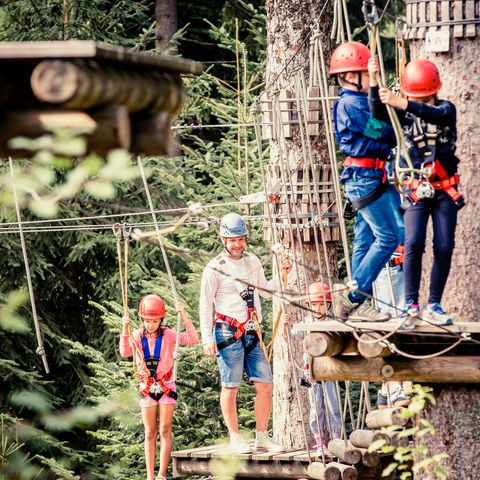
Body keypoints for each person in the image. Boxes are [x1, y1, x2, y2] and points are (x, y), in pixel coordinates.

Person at [369, 57, 463, 326]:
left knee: (444, 245)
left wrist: (404, 102)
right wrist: (374, 80)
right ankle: (410, 304)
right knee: (413, 243)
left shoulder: (446, 110)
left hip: (444, 189)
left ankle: (434, 303)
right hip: (416, 187)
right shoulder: (404, 114)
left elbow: (437, 115)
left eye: (424, 99)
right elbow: (377, 113)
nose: (421, 105)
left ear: (434, 93)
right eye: (416, 100)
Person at [199, 212, 291, 454]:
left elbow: (266, 291)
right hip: (227, 331)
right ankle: (235, 437)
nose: (237, 244)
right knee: (231, 386)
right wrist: (207, 339)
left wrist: (281, 276)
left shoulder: (252, 261)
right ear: (223, 239)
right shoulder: (215, 268)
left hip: (252, 330)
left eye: (241, 239)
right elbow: (205, 305)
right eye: (232, 240)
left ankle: (262, 435)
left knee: (265, 385)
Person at [329, 41, 404, 322]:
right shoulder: (350, 104)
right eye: (364, 73)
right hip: (365, 177)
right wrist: (396, 116)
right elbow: (383, 132)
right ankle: (353, 297)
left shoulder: (360, 100)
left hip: (372, 176)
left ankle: (357, 303)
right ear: (350, 75)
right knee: (390, 237)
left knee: (365, 239)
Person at [120, 294, 199, 480]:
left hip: (166, 386)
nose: (150, 325)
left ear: (161, 319)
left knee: (164, 429)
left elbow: (192, 339)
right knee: (150, 432)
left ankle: (162, 475)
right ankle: (150, 476)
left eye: (154, 321)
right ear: (142, 319)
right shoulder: (138, 336)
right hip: (147, 387)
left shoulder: (169, 334)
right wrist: (125, 328)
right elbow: (125, 352)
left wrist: (185, 315)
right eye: (147, 321)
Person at [282, 282, 342, 456]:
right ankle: (320, 441)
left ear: (328, 304)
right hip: (312, 373)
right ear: (308, 305)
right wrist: (286, 326)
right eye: (314, 304)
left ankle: (336, 439)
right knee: (316, 408)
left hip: (330, 370)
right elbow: (293, 336)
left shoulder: (333, 322)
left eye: (322, 303)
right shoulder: (305, 323)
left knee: (333, 406)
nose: (318, 308)